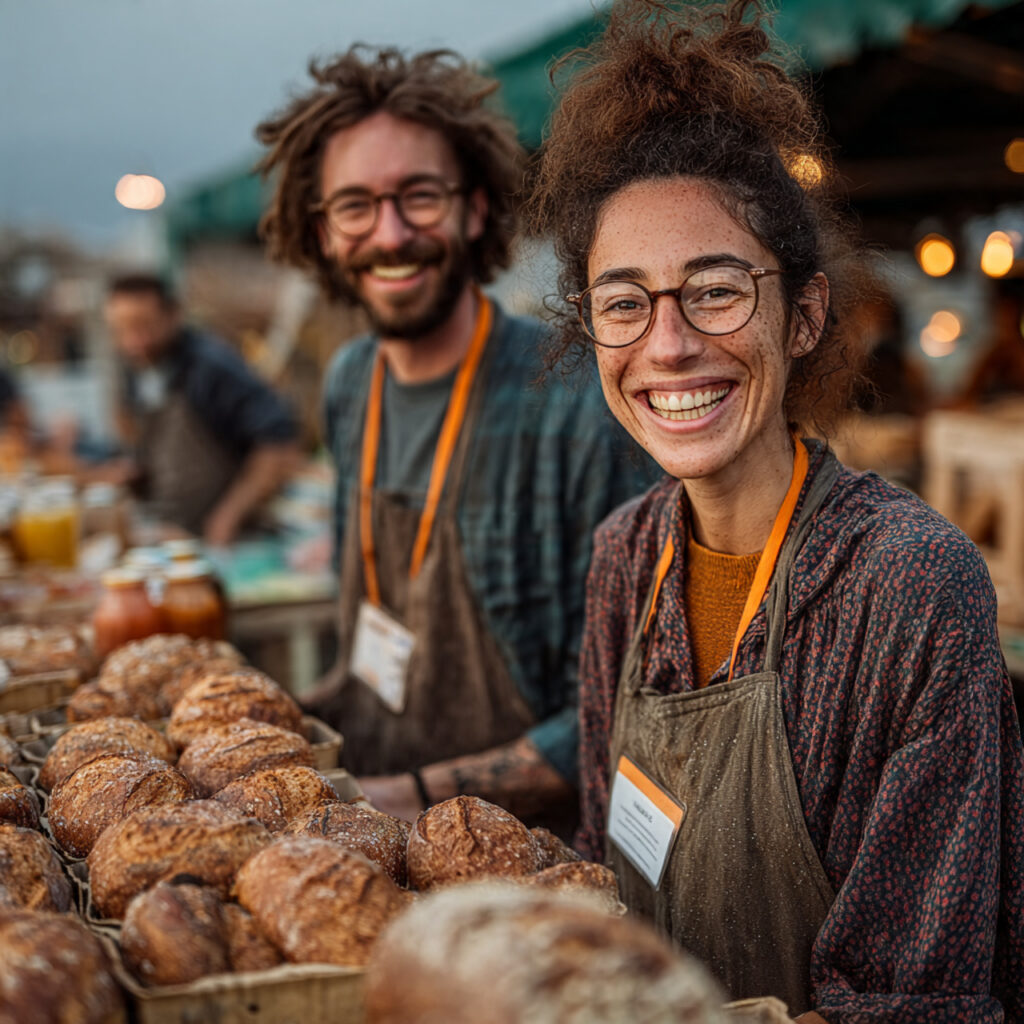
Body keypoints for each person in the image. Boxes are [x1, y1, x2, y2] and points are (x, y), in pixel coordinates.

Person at [527, 1, 1024, 1020]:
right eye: (624, 302)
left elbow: (912, 1002)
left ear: (803, 315)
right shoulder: (626, 556)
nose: (667, 346)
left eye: (714, 290)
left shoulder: (908, 587)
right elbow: (602, 873)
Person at [255, 46, 657, 827]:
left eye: (420, 196)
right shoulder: (349, 382)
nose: (391, 233)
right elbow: (371, 640)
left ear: (475, 208)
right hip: (367, 830)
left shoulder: (575, 401)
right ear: (324, 232)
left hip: (521, 858)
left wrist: (411, 798)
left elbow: (631, 706)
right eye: (356, 206)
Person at [104, 274, 301, 544]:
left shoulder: (211, 368)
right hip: (171, 535)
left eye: (143, 326)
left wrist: (228, 517)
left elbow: (278, 444)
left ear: (173, 315)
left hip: (231, 543)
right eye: (121, 330)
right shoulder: (132, 370)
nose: (133, 341)